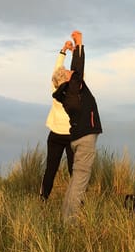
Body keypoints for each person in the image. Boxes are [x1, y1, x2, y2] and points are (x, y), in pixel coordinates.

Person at [51, 30, 102, 222]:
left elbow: (76, 71)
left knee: (76, 180)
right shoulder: (72, 89)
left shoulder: (67, 92)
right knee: (80, 181)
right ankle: (69, 222)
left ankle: (65, 216)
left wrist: (73, 51)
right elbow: (78, 69)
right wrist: (79, 44)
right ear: (66, 80)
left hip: (78, 137)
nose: (71, 72)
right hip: (85, 137)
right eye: (68, 73)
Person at [40, 40, 76, 200]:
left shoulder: (55, 89)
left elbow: (57, 70)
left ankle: (43, 198)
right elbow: (79, 73)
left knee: (51, 169)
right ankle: (76, 202)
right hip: (70, 135)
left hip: (55, 134)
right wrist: (75, 53)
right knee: (74, 171)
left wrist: (63, 51)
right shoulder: (73, 93)